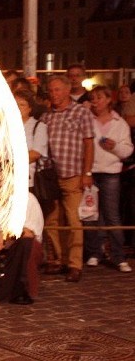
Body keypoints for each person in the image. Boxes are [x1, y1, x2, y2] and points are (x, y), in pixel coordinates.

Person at [40, 75, 94, 282]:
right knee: (53, 220)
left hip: (73, 174)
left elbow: (89, 144)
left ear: (67, 90)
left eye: (58, 90)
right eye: (51, 91)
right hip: (52, 176)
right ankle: (58, 259)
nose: (54, 94)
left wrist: (87, 173)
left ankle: (75, 264)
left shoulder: (81, 112)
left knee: (73, 221)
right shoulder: (47, 117)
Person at [84, 85, 133, 273]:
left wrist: (114, 147)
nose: (95, 101)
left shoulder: (119, 122)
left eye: (99, 97)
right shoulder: (87, 119)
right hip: (91, 171)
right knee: (91, 215)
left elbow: (127, 149)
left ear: (108, 100)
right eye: (92, 98)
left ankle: (119, 256)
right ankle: (95, 253)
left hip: (111, 172)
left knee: (112, 215)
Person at [15, 89, 49, 200]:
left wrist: (9, 163)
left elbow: (35, 154)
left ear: (30, 108)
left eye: (22, 105)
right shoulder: (4, 127)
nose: (17, 108)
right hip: (6, 181)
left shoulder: (38, 126)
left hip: (28, 180)